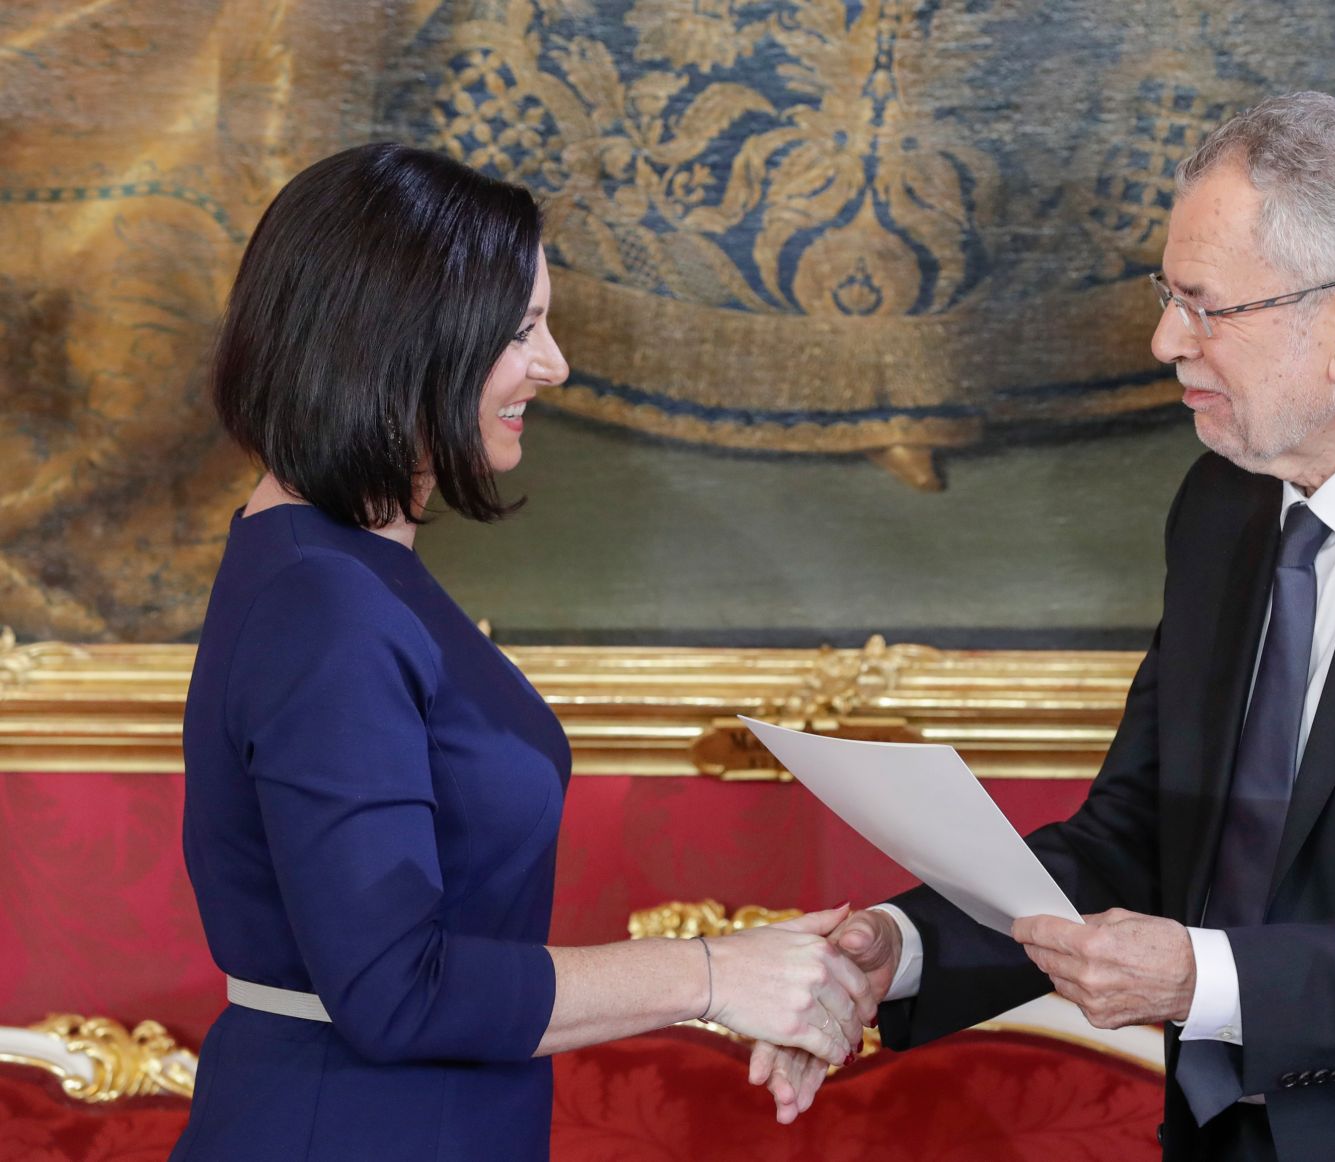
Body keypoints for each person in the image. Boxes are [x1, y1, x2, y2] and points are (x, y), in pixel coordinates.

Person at [749, 92, 1335, 1161]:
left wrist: (1203, 978)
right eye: (1166, 296)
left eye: (1203, 306)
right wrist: (904, 945)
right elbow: (1141, 838)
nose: (1162, 340)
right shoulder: (1223, 504)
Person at [172, 143, 872, 1162]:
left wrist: (753, 974)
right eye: (521, 330)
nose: (553, 365)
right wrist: (713, 973)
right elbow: (393, 989)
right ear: (400, 341)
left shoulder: (345, 569)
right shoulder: (324, 598)